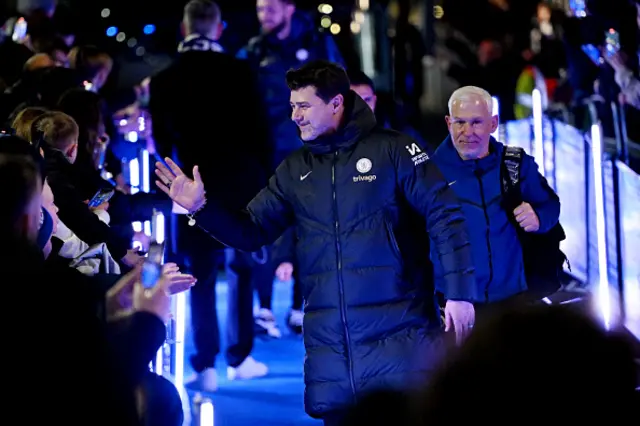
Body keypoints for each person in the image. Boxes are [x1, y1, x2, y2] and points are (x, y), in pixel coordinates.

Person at [155, 60, 477, 424]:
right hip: (333, 361)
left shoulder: (396, 151)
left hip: (402, 347)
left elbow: (446, 216)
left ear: (337, 104)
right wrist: (202, 207)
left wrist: (459, 293)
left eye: (304, 106)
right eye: (293, 106)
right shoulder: (295, 169)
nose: (295, 116)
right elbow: (251, 231)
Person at [149, 0, 271, 391]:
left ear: (185, 30)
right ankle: (240, 356)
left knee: (198, 274)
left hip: (189, 186)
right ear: (218, 29)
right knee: (241, 268)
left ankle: (206, 366)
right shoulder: (241, 71)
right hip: (242, 185)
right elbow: (261, 134)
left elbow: (162, 144)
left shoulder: (164, 79)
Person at [431, 86, 560, 320]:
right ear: (448, 122)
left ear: (493, 123)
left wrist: (539, 218)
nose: (467, 131)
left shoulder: (516, 164)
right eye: (460, 122)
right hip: (455, 306)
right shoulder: (428, 173)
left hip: (514, 300)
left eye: (476, 122)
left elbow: (551, 205)